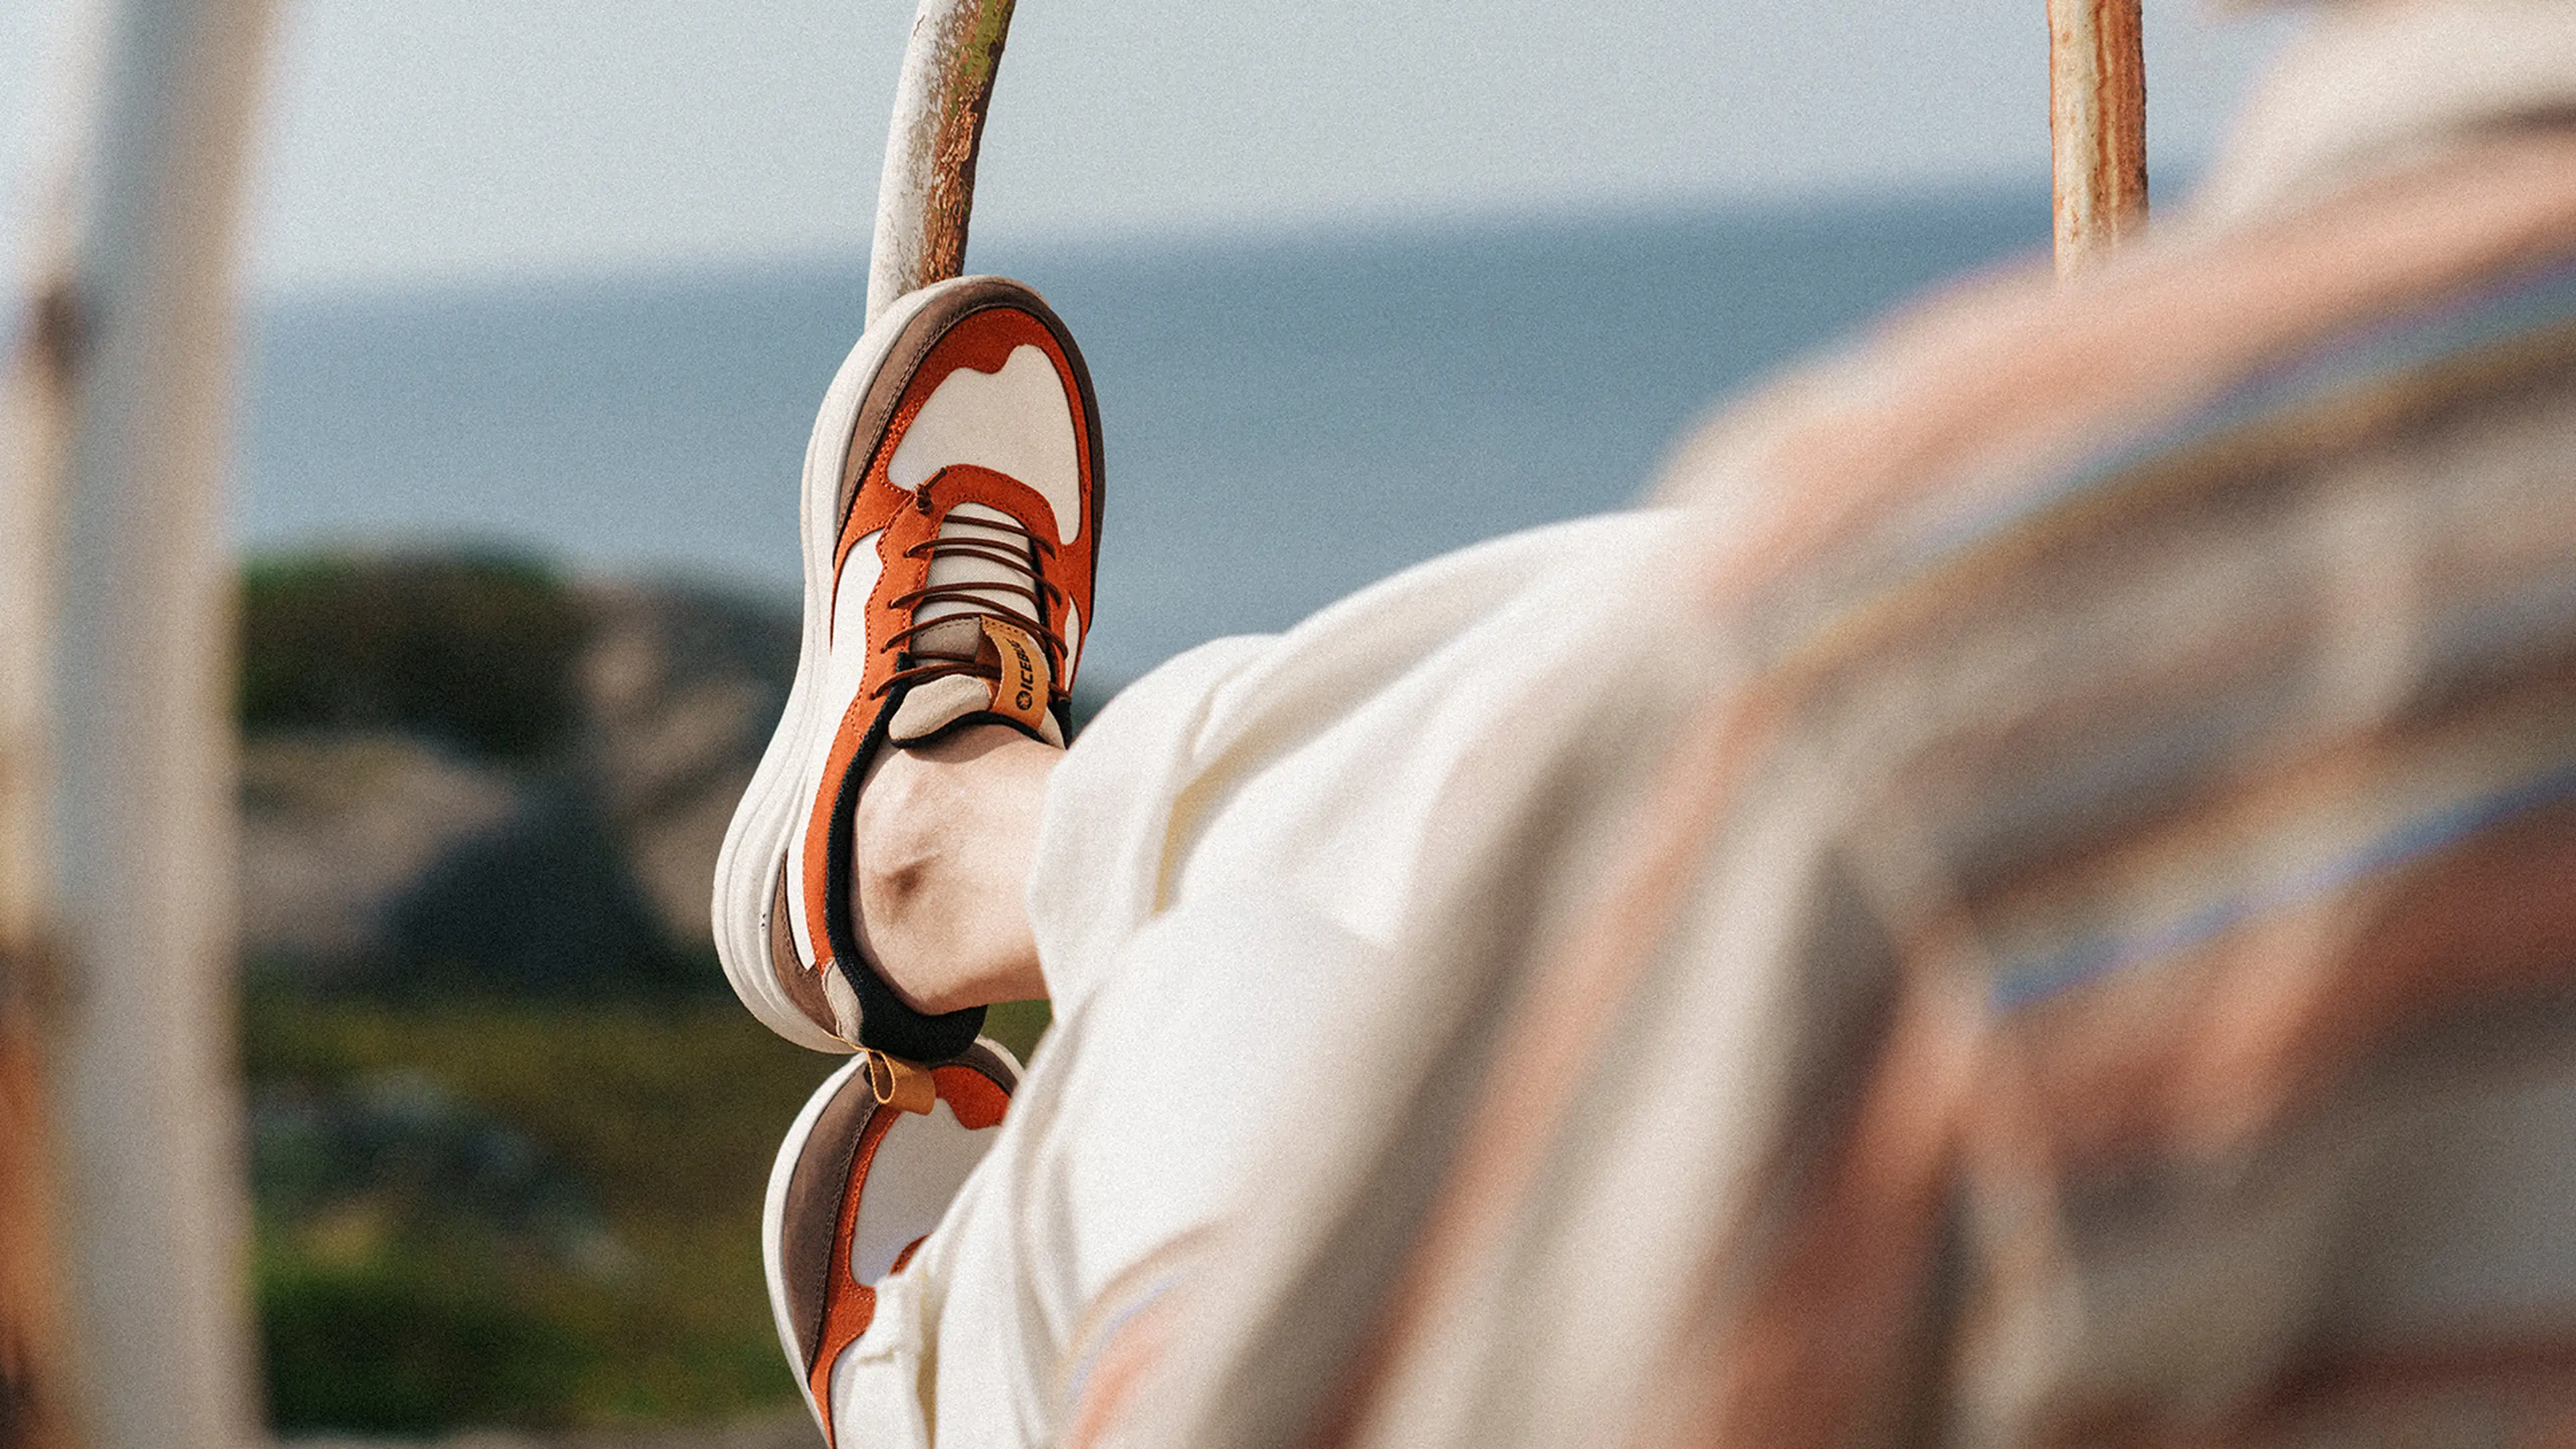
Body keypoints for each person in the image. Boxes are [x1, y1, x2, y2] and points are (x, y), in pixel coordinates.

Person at [714, 3, 2576, 1444]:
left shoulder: (1954, 673)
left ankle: (939, 1341)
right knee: (1709, 672)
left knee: (1228, 1009)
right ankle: (965, 854)